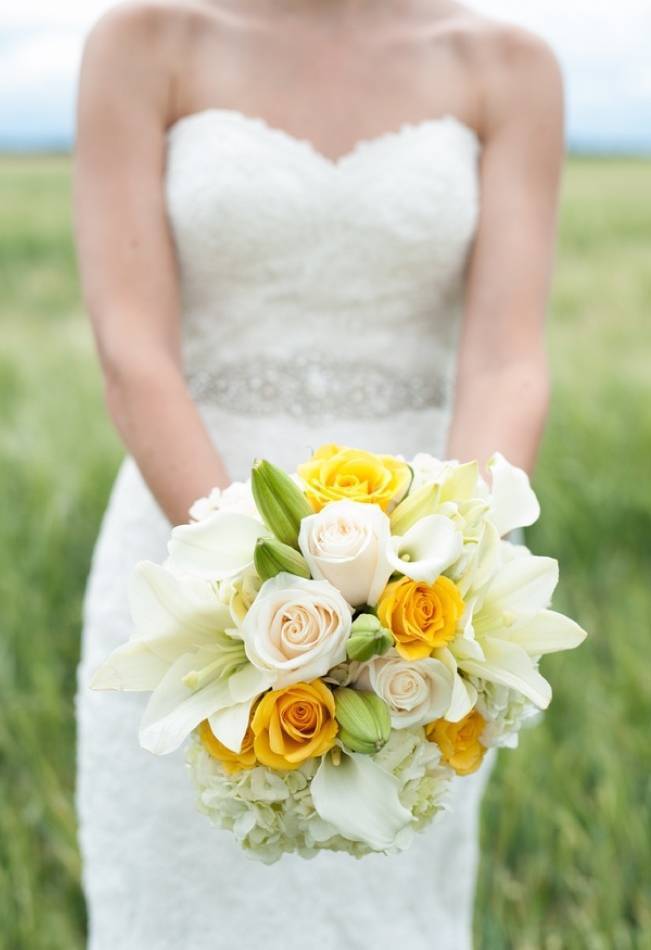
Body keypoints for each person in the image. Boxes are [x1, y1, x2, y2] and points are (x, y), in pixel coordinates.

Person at [73, 0, 564, 946]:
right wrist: (252, 596)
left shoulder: (507, 65)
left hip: (423, 582)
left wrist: (442, 583)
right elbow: (132, 351)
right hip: (188, 553)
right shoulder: (145, 41)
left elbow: (507, 360)